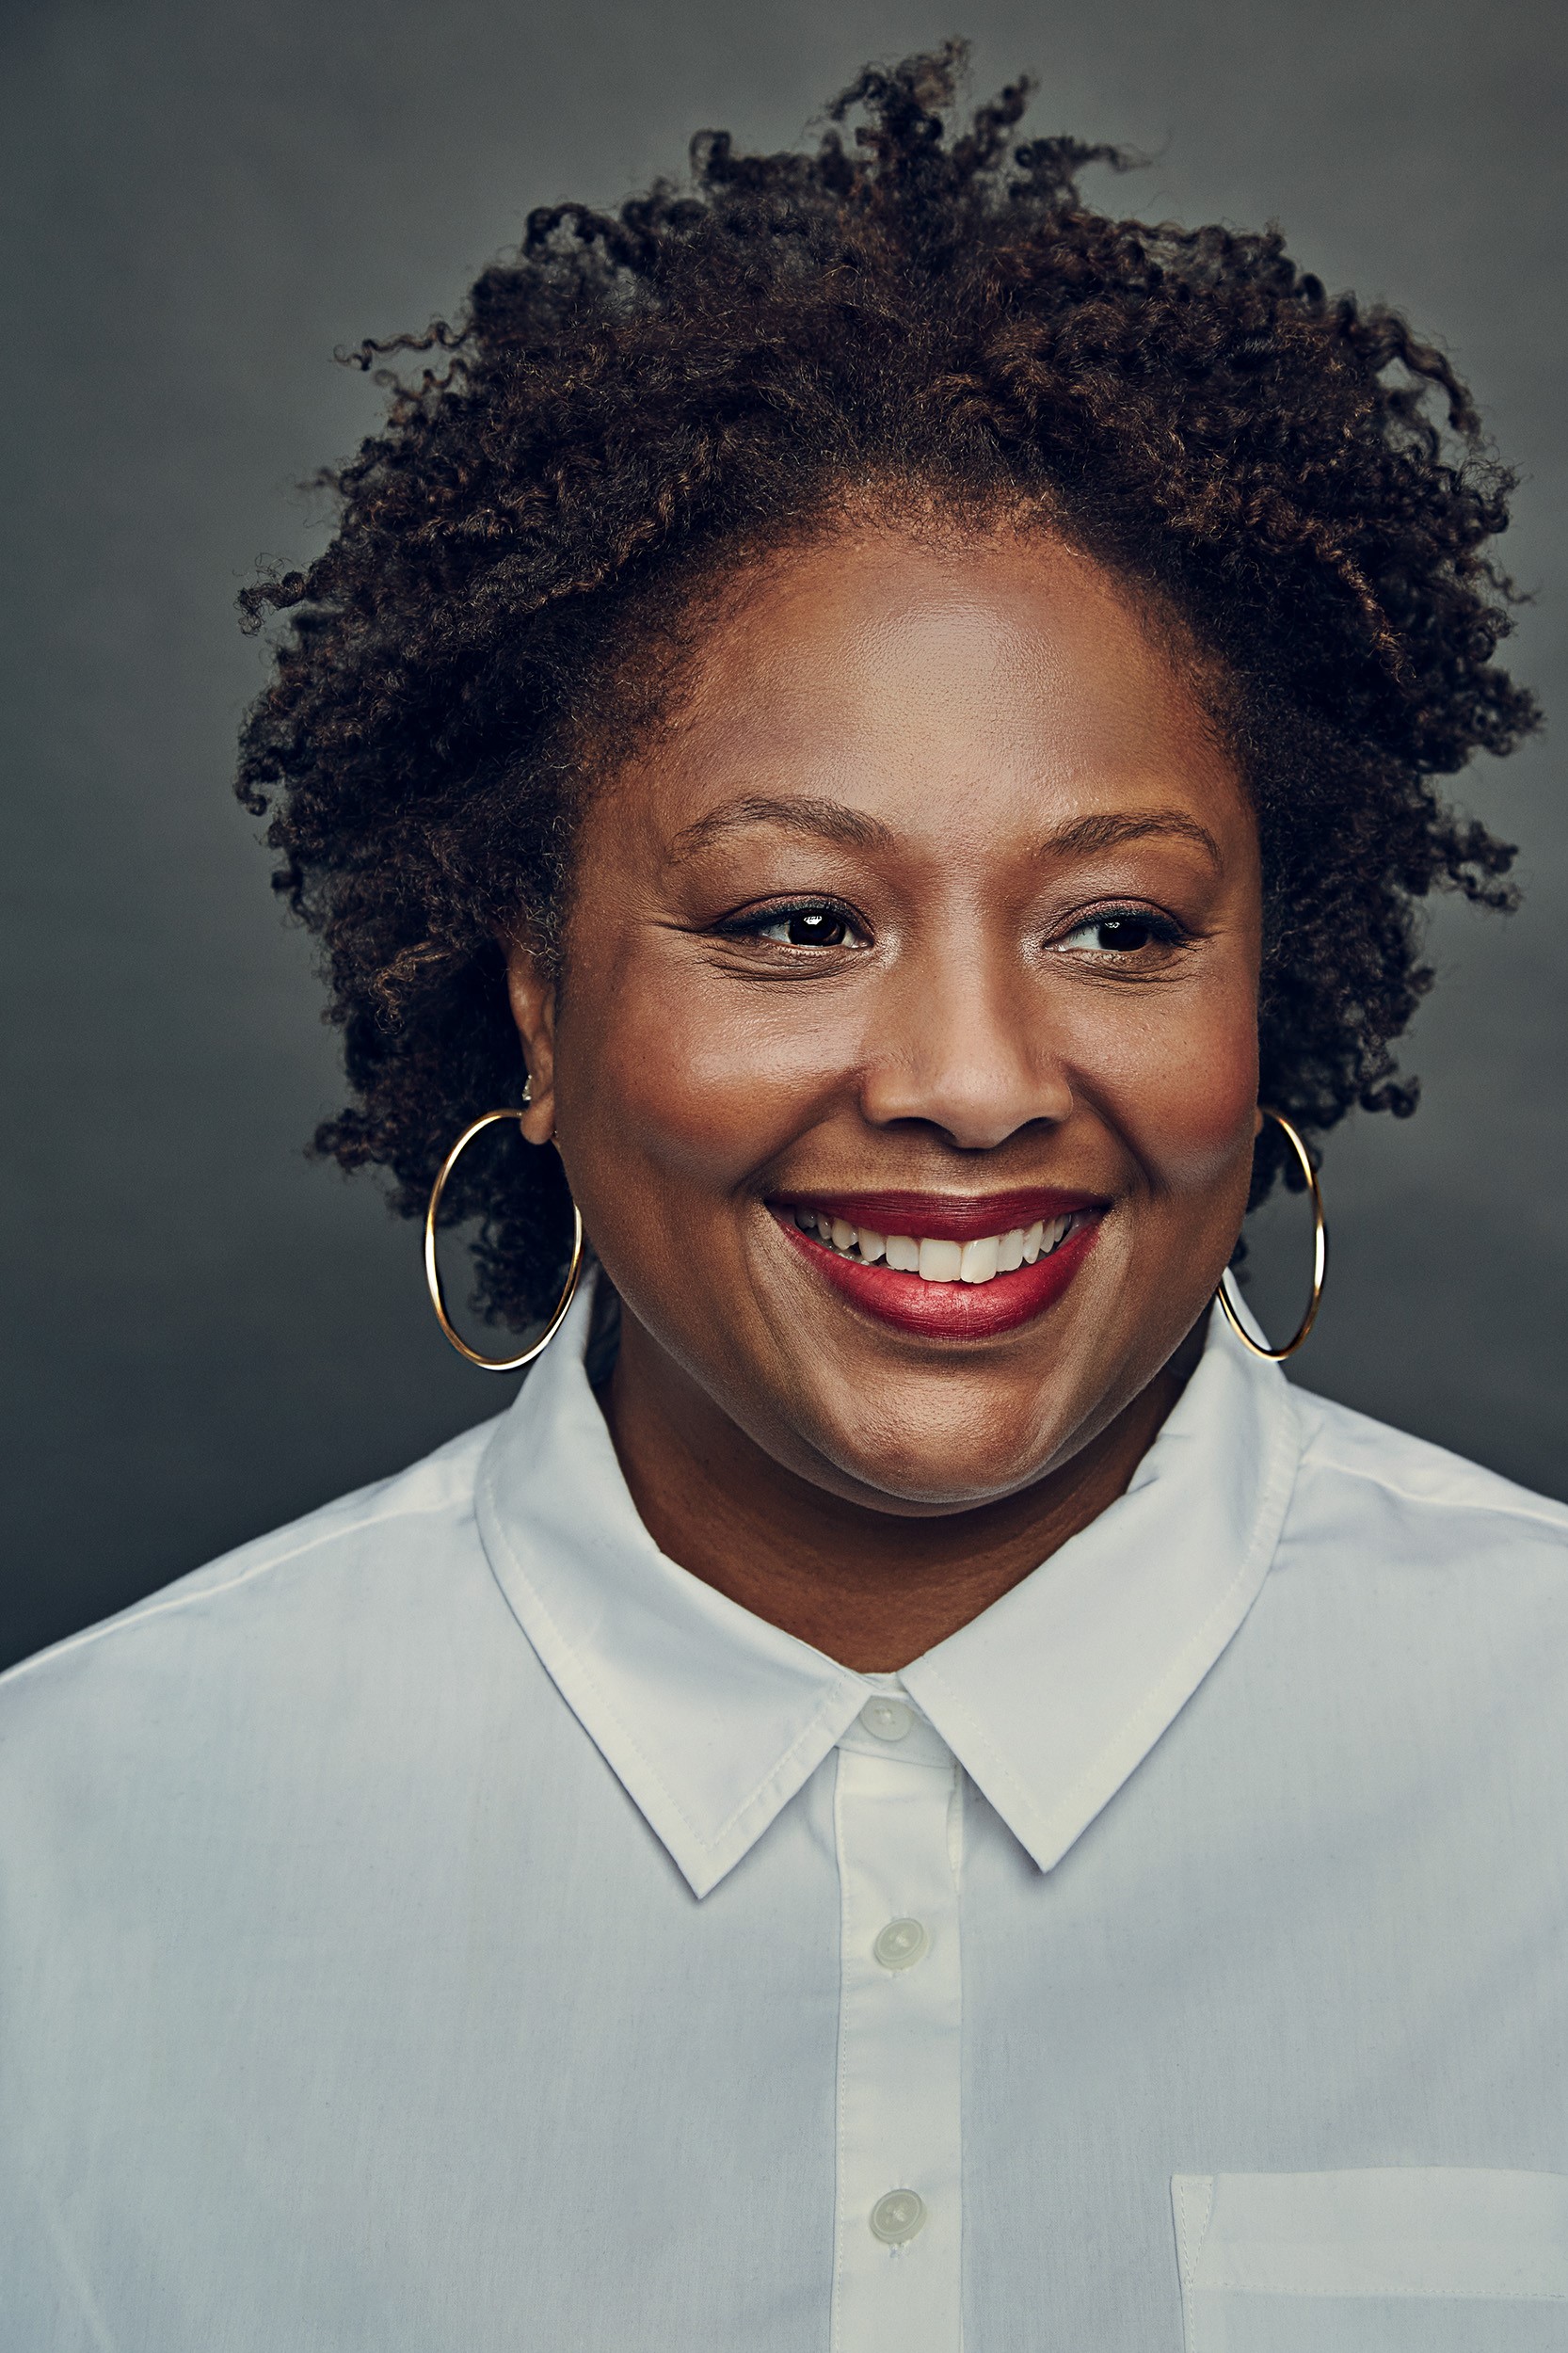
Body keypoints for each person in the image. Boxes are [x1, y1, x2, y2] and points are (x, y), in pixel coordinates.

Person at [5, 44, 1565, 2352]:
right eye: (796, 921)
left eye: (1116, 926)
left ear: (1270, 981)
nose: (967, 1083)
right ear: (534, 1002)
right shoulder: (67, 1856)